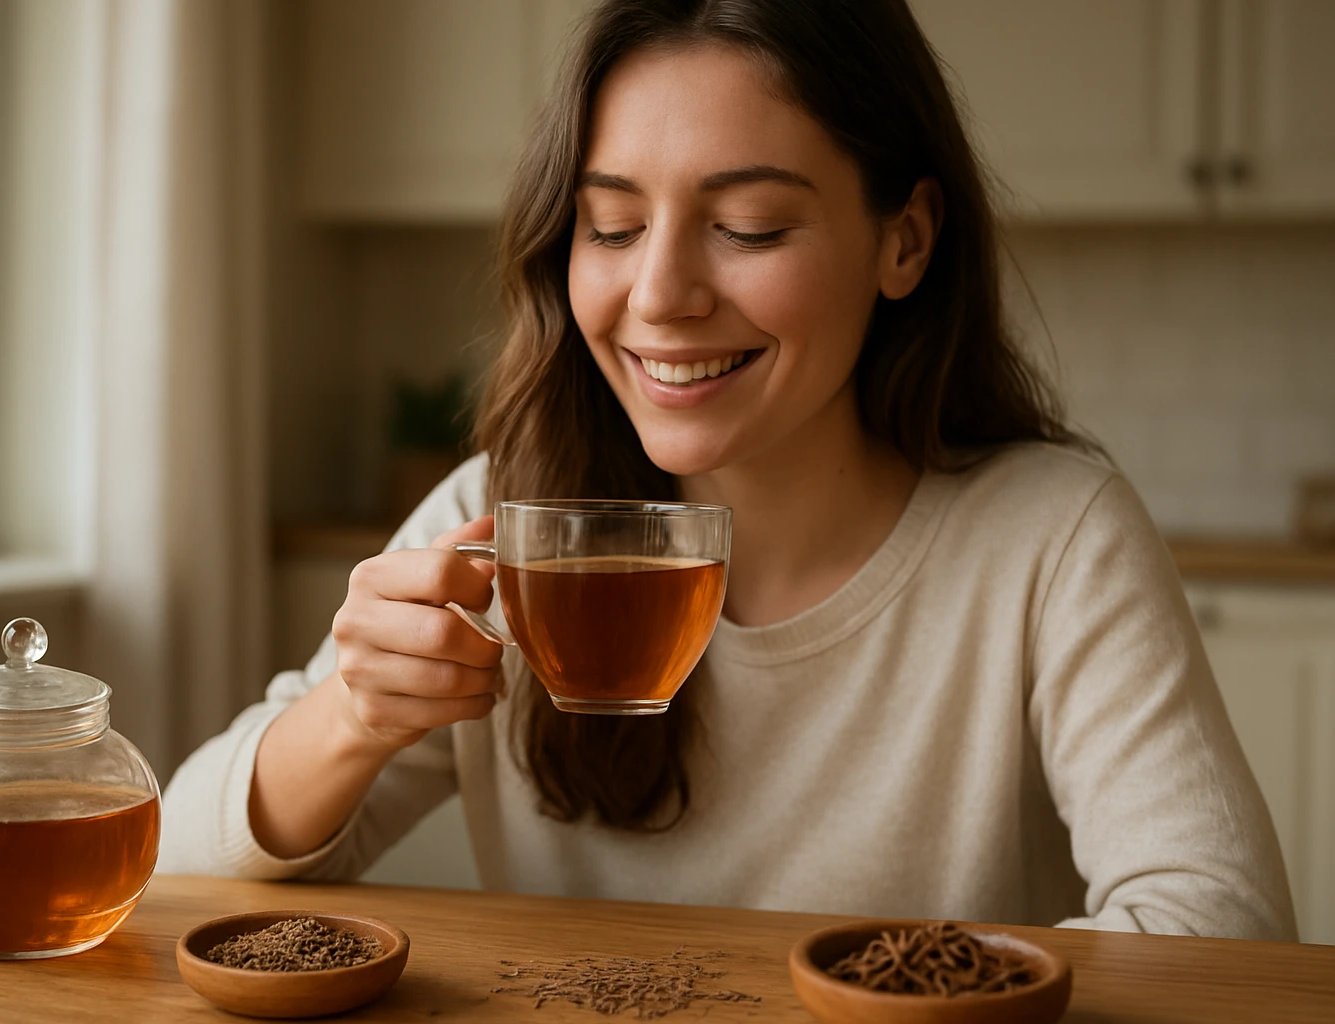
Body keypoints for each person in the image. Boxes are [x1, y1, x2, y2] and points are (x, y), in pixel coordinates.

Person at [160, 0, 1296, 940]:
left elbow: (1219, 921)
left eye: (748, 225)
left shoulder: (1052, 540)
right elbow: (174, 868)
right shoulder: (502, 520)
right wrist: (352, 716)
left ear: (904, 240)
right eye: (610, 227)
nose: (659, 295)